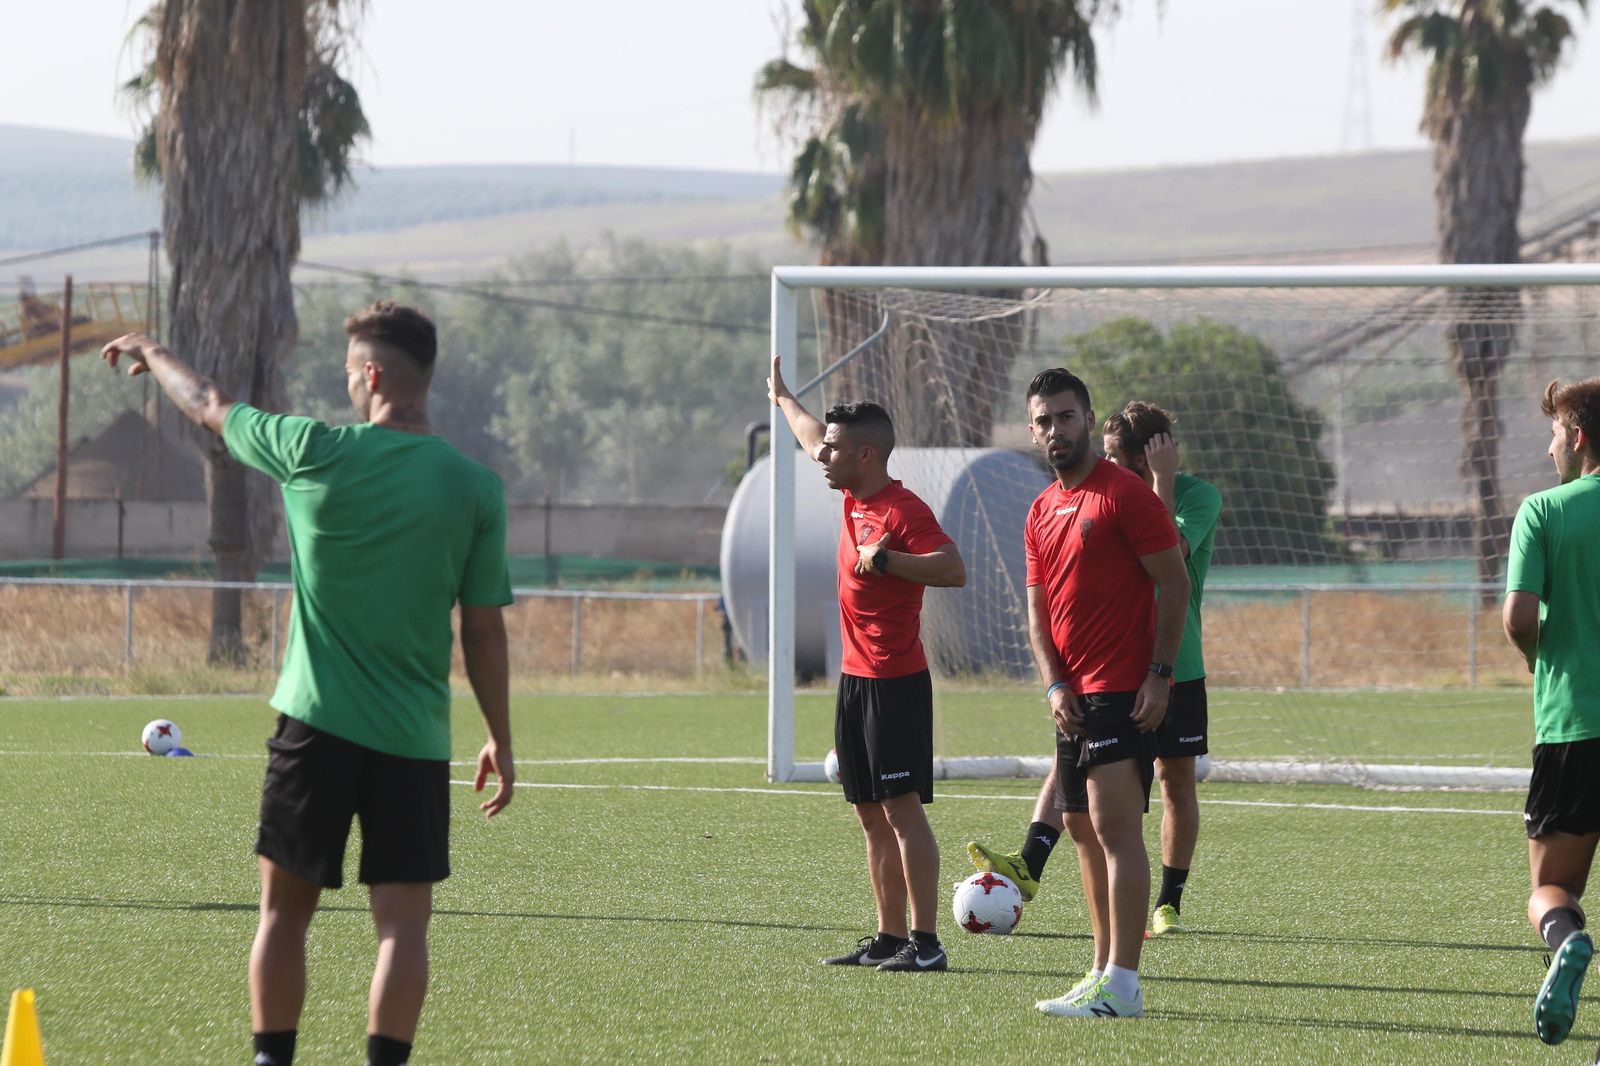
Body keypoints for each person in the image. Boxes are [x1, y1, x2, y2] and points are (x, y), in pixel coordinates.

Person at [102, 301, 516, 1066]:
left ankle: (272, 1060)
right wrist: (501, 737)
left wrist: (154, 350)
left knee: (284, 916)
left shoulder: (311, 449)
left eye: (349, 374)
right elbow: (484, 630)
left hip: (313, 727)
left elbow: (211, 407)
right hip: (414, 741)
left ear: (371, 373)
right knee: (402, 927)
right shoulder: (475, 488)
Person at [967, 401, 1221, 941]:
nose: (1104, 463)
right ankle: (1031, 862)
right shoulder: (1098, 497)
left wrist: (1164, 481)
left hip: (1179, 664)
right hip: (1116, 668)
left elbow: (1170, 555)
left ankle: (1168, 902)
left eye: (1115, 456)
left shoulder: (1197, 497)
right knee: (1084, 767)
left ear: (1148, 459)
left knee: (1174, 781)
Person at [767, 354, 967, 973]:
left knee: (902, 812)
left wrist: (887, 561)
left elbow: (953, 568)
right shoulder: (853, 489)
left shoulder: (902, 511)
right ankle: (887, 937)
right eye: (824, 448)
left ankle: (927, 944)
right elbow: (807, 435)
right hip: (855, 680)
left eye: (835, 450)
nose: (822, 456)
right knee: (869, 814)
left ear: (867, 456)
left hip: (895, 683)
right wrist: (782, 398)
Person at [1006, 369, 1190, 1019]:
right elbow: (1036, 612)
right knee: (1080, 829)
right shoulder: (1039, 510)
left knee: (1116, 832)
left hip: (1120, 688)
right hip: (1072, 696)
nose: (1056, 429)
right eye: (1044, 420)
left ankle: (1125, 985)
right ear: (1032, 431)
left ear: (1088, 418)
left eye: (1066, 416)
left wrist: (1160, 674)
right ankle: (1099, 970)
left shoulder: (1125, 495)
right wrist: (1053, 682)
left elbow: (1175, 584)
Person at [1504, 376, 1600, 1047]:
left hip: (1574, 724)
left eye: (1554, 432)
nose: (1549, 448)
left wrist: (1544, 658)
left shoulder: (1545, 510)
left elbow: (1516, 617)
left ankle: (1566, 944)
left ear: (1579, 436)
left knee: (1550, 891)